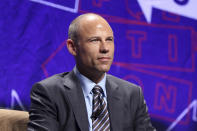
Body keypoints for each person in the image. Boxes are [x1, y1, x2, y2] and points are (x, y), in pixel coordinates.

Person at [27, 13, 155, 131]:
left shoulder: (132, 94)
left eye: (109, 40)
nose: (105, 48)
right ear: (72, 47)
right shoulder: (48, 92)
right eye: (94, 40)